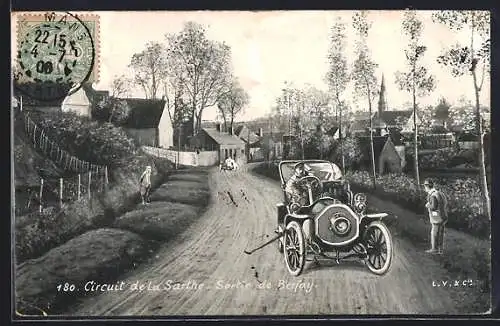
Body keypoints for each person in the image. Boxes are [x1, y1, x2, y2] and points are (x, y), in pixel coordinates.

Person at [423, 178, 448, 254]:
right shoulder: (439, 193)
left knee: (434, 233)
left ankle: (434, 249)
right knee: (441, 233)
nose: (424, 188)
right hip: (443, 215)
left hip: (437, 217)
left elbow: (433, 206)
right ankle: (440, 250)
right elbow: (445, 202)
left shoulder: (432, 195)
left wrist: (428, 205)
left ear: (427, 186)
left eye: (425, 186)